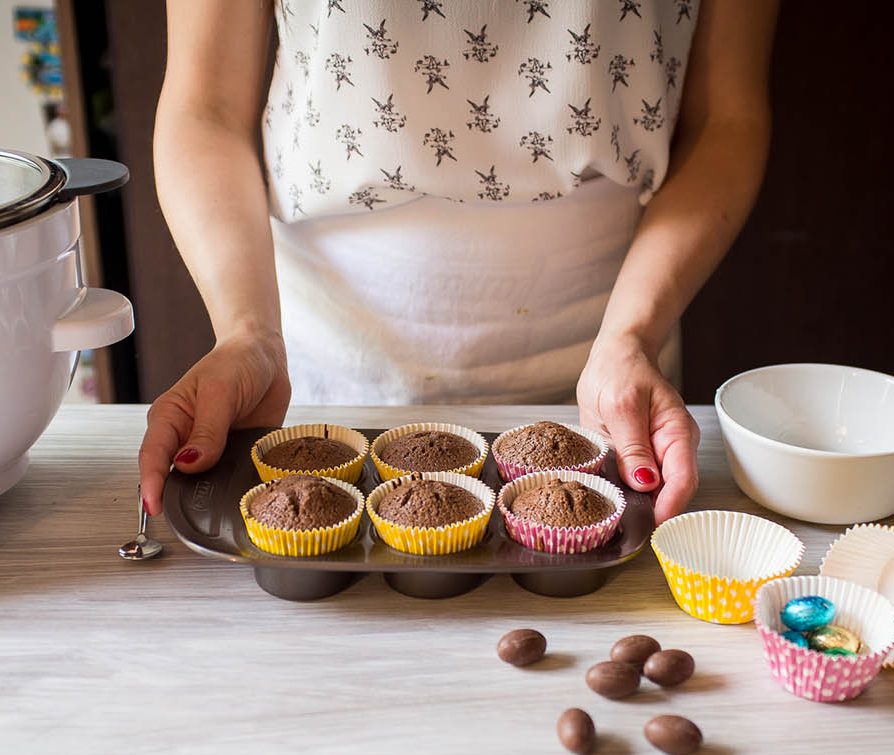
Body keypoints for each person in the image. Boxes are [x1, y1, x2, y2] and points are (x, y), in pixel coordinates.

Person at [139, 0, 779, 525]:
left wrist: (631, 335)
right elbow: (207, 109)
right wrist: (247, 334)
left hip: (609, 357)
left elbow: (726, 115)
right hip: (312, 365)